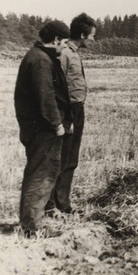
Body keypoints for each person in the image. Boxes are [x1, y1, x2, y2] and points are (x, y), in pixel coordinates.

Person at [14, 20, 72, 237]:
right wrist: (57, 124)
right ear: (56, 40)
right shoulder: (40, 61)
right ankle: (31, 228)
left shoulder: (39, 56)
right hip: (42, 130)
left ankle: (31, 223)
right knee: (40, 174)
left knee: (40, 172)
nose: (64, 47)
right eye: (64, 42)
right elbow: (45, 97)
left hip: (38, 127)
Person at [47, 13, 97, 215]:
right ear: (83, 35)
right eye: (92, 36)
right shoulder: (65, 54)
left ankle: (63, 203)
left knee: (71, 159)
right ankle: (50, 204)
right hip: (67, 110)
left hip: (77, 110)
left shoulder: (74, 52)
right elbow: (57, 86)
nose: (93, 40)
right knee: (60, 157)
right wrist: (64, 116)